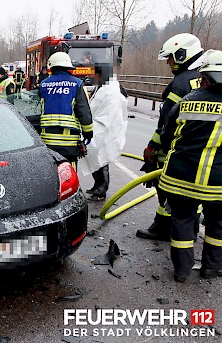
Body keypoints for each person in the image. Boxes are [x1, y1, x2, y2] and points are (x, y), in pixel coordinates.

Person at [158, 49, 222, 282]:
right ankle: (211, 268)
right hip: (218, 185)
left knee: (182, 222)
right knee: (218, 226)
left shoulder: (187, 101)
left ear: (204, 77)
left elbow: (167, 135)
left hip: (180, 179)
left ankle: (182, 271)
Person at [136, 33, 204, 241]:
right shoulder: (207, 77)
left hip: (176, 149)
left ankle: (164, 227)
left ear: (183, 55)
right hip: (204, 150)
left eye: (171, 58)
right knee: (195, 190)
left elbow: (165, 123)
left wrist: (152, 148)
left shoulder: (180, 83)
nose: (168, 62)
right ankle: (190, 225)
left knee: (166, 187)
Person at [80, 67, 128, 201]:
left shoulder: (111, 89)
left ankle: (101, 190)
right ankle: (97, 186)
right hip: (98, 126)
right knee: (94, 156)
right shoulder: (102, 86)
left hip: (106, 128)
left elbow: (110, 108)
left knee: (102, 158)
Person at [39, 52, 93, 170]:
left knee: (51, 174)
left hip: (47, 141)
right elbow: (84, 113)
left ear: (51, 67)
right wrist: (88, 134)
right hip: (69, 144)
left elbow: (39, 110)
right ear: (69, 67)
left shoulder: (43, 85)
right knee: (69, 176)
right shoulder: (77, 84)